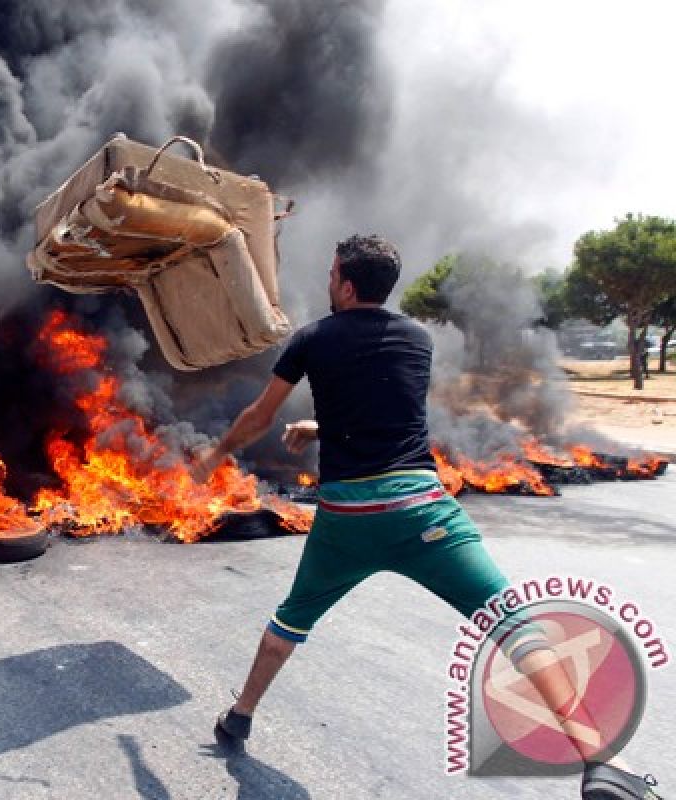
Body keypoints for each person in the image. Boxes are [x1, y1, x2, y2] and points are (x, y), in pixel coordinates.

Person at [191, 235, 661, 800]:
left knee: (288, 624)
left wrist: (215, 454)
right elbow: (389, 408)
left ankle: (239, 716)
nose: (327, 281)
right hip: (425, 514)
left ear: (345, 283)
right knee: (515, 625)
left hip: (348, 521)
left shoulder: (311, 339)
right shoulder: (417, 338)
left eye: (331, 272)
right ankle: (602, 762)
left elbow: (257, 417)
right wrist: (319, 426)